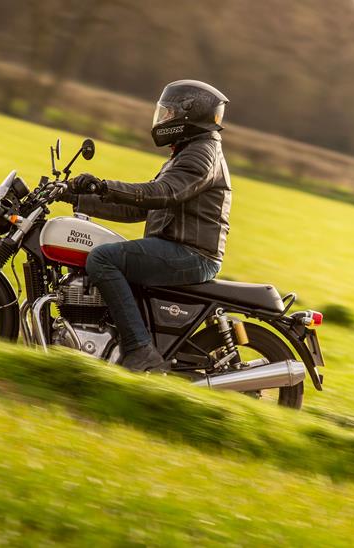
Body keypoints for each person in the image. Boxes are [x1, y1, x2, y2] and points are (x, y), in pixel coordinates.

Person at [62, 80, 231, 373]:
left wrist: (104, 186)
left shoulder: (201, 154)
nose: (162, 119)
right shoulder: (188, 151)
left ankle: (139, 350)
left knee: (103, 258)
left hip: (192, 253)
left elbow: (162, 193)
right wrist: (76, 198)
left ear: (189, 115)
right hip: (177, 247)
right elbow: (138, 207)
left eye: (169, 113)